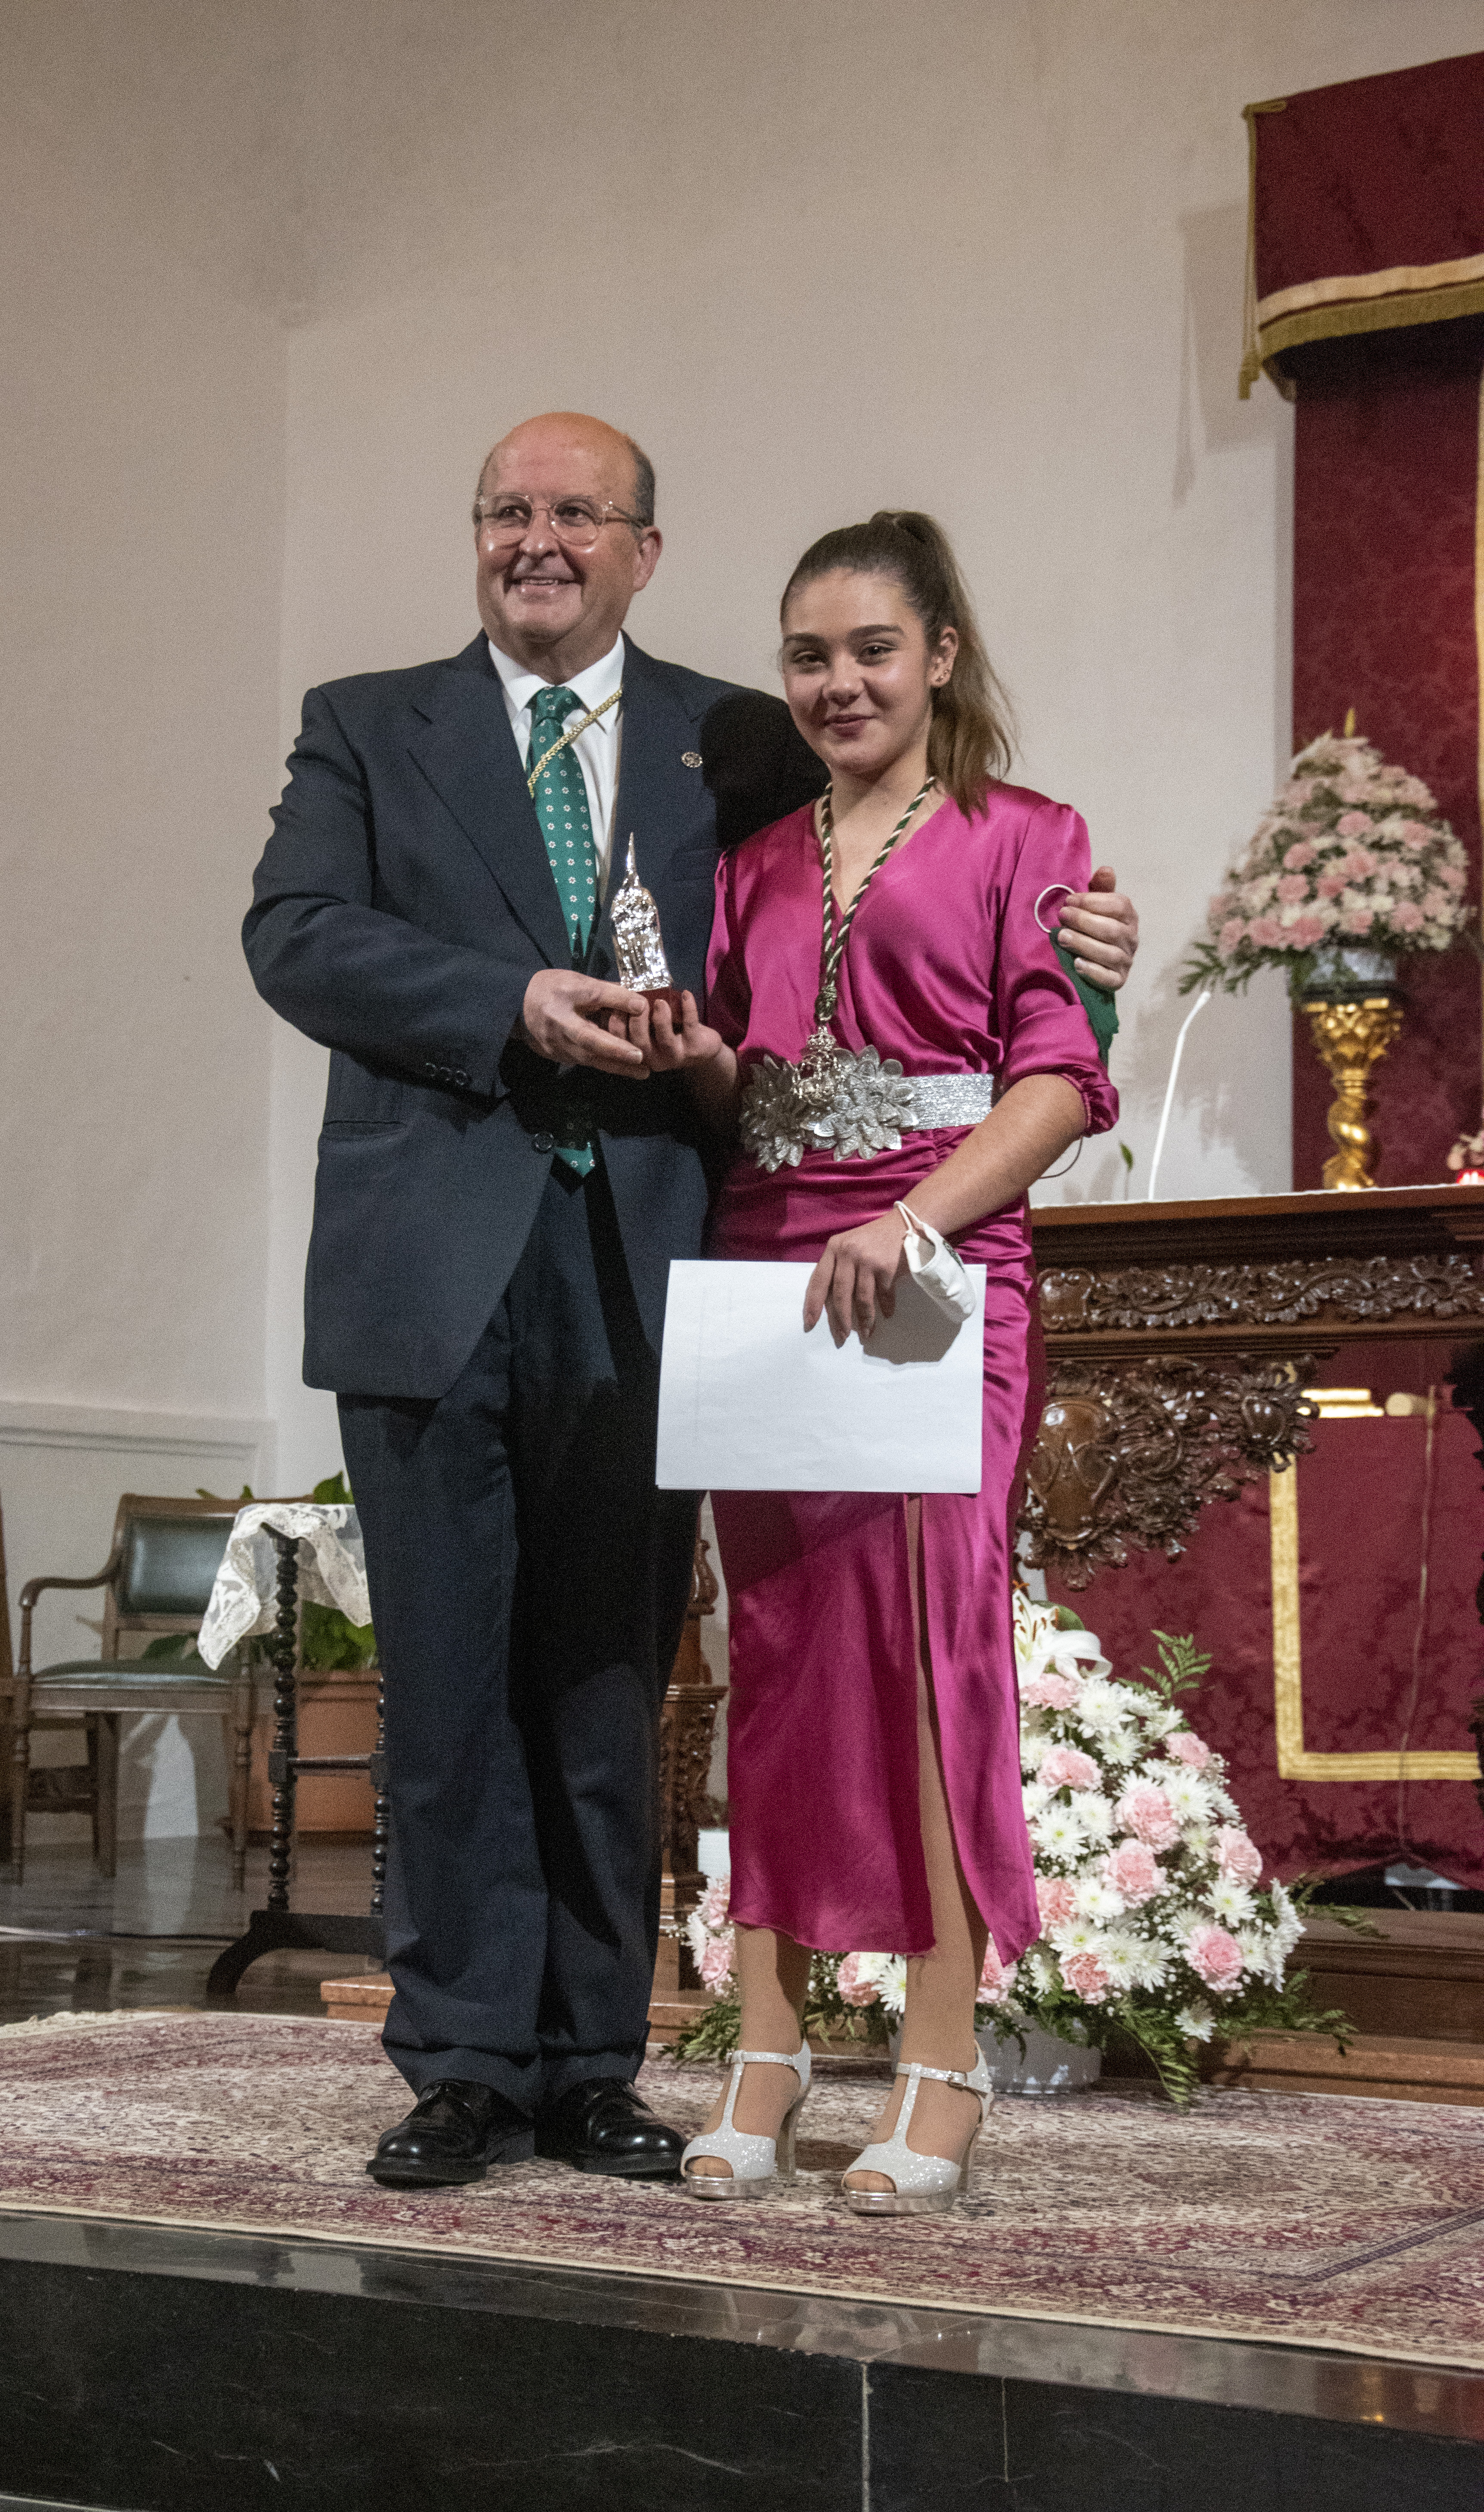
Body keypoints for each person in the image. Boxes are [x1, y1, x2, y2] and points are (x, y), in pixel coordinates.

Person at [243, 421, 1138, 2192]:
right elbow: (295, 936)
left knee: (614, 1681)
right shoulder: (365, 722)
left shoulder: (732, 738)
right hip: (433, 1270)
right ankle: (463, 2061)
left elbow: (926, 904)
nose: (539, 540)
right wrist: (512, 999)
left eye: (578, 513)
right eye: (507, 510)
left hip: (675, 1277)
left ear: (646, 549)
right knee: (444, 1683)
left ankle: (596, 2057)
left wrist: (1090, 952)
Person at [618, 510, 1117, 2215]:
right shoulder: (749, 867)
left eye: (870, 652)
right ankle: (760, 2058)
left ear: (940, 660)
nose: (839, 683)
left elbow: (1052, 1086)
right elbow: (738, 1097)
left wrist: (910, 1221)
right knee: (775, 1657)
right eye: (809, 658)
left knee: (925, 1658)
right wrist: (692, 1059)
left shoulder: (1026, 837)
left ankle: (940, 2064)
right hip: (768, 1269)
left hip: (934, 1277)